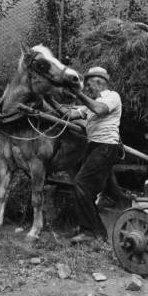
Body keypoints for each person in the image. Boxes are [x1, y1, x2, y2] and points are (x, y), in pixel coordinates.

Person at [55, 66, 122, 242]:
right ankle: (99, 231)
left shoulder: (112, 97)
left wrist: (78, 95)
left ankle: (90, 232)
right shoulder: (90, 104)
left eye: (89, 85)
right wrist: (47, 100)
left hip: (106, 147)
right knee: (92, 189)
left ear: (100, 82)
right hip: (94, 147)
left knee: (81, 183)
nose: (87, 88)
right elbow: (68, 114)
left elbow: (100, 109)